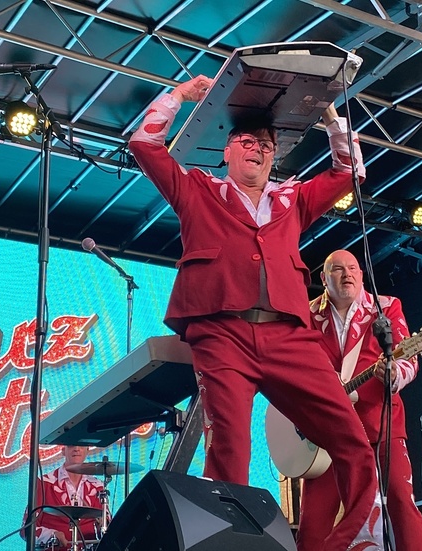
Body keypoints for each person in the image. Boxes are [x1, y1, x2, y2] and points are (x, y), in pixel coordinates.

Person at [128, 74, 378, 551]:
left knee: (354, 443)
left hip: (289, 337)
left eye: (266, 143)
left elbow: (350, 174)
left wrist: (328, 115)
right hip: (223, 336)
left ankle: (338, 547)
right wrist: (180, 96)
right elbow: (145, 143)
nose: (257, 149)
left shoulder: (293, 200)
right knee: (230, 454)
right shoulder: (197, 190)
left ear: (274, 156)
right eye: (245, 141)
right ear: (226, 152)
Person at [298, 249, 422, 551]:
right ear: (323, 278)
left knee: (400, 500)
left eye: (353, 268)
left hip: (379, 423)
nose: (347, 274)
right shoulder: (307, 313)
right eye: (338, 269)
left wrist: (394, 374)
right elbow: (294, 366)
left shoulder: (385, 307)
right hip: (327, 432)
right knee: (313, 524)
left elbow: (407, 359)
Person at [27, 445, 109, 549]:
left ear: (87, 450)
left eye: (81, 446)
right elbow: (27, 529)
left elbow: (109, 527)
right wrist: (51, 535)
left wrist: (101, 526)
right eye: (71, 445)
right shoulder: (44, 484)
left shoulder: (98, 486)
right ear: (63, 451)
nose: (77, 449)